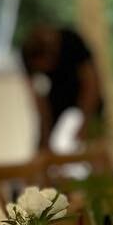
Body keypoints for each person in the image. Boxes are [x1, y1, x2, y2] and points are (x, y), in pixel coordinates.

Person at [19, 22, 104, 150]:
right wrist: (45, 135)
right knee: (43, 144)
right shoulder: (27, 54)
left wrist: (85, 123)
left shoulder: (72, 43)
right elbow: (38, 99)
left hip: (82, 92)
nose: (46, 71)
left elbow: (91, 86)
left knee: (94, 142)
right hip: (55, 97)